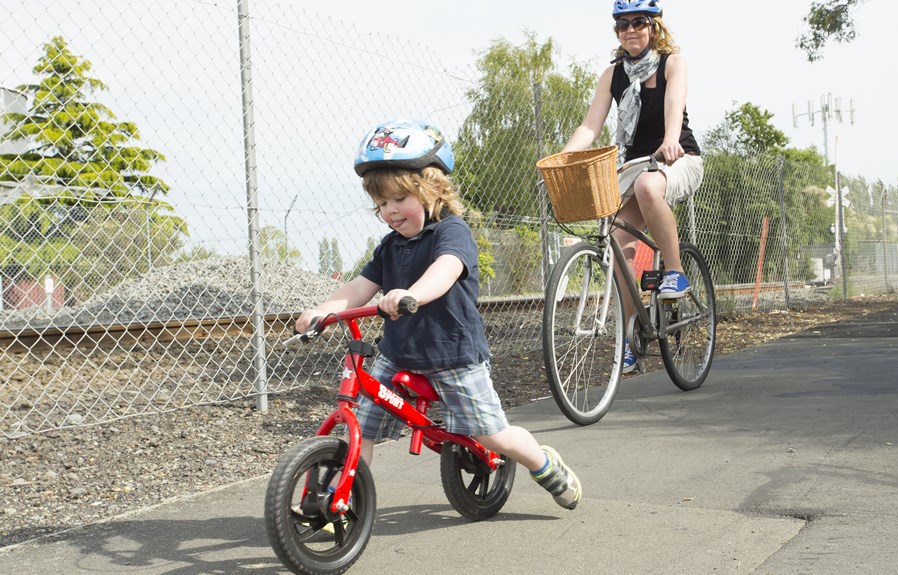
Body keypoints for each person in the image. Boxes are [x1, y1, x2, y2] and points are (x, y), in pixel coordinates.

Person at [296, 119, 582, 510]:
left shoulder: (452, 232)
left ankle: (545, 464)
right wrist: (322, 310)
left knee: (492, 434)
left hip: (454, 357)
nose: (390, 211)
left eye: (399, 199)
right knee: (359, 429)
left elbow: (445, 271)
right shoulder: (389, 247)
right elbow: (357, 290)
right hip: (399, 355)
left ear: (432, 189)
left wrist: (409, 294)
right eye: (381, 203)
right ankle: (342, 502)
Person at [562, 0, 704, 373]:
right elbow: (591, 126)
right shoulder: (613, 75)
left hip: (678, 157)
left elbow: (674, 106)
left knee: (647, 186)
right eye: (622, 25)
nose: (630, 30)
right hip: (637, 165)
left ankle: (675, 271)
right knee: (618, 241)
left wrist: (671, 140)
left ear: (653, 26)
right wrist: (564, 155)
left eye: (638, 22)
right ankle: (632, 336)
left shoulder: (672, 62)